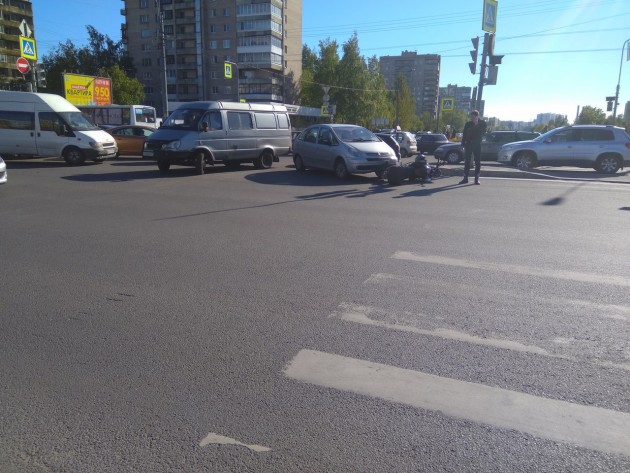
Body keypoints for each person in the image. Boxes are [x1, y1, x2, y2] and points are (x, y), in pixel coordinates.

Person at [459, 110, 487, 185]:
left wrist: (476, 124)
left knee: (477, 161)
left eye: (473, 117)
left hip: (477, 145)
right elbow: (464, 134)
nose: (471, 118)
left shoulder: (482, 123)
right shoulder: (468, 124)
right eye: (471, 117)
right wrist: (463, 144)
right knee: (467, 161)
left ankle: (476, 179)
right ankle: (465, 178)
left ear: (477, 116)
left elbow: (482, 133)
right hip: (469, 144)